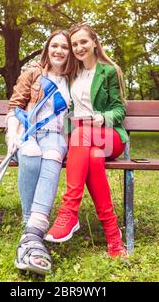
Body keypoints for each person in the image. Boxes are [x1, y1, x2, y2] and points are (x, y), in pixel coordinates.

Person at [44, 23, 129, 258]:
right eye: (75, 44)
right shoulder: (73, 73)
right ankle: (113, 238)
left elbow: (120, 110)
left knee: (81, 135)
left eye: (84, 42)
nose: (79, 47)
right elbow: (47, 71)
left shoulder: (109, 71)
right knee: (92, 157)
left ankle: (69, 212)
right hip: (84, 144)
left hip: (109, 136)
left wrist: (102, 117)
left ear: (94, 43)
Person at [5, 30, 75, 274]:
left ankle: (33, 230)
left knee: (53, 153)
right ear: (47, 48)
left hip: (55, 136)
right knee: (33, 154)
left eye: (64, 47)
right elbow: (15, 107)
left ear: (70, 52)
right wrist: (13, 135)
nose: (58, 51)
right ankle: (30, 223)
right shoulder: (33, 72)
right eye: (54, 45)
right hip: (26, 132)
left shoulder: (73, 79)